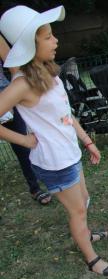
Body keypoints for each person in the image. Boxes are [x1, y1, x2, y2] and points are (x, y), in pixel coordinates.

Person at [0, 5, 108, 277]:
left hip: (69, 153)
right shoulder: (21, 84)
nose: (56, 41)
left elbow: (65, 113)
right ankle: (92, 259)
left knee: (85, 199)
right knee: (77, 211)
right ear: (31, 44)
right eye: (47, 37)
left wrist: (87, 141)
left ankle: (86, 234)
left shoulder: (46, 72)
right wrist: (24, 140)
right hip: (53, 162)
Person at [0, 34, 51, 205]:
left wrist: (21, 87)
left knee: (23, 149)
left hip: (7, 96)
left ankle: (35, 187)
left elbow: (12, 62)